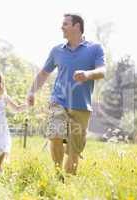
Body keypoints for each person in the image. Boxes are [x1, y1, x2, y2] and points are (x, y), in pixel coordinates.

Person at [27, 14, 106, 175]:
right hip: (58, 101)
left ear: (77, 26)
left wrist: (88, 74)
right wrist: (32, 91)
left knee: (73, 150)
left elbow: (102, 70)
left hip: (82, 106)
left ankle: (68, 182)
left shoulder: (95, 48)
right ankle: (57, 174)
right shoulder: (57, 50)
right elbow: (43, 73)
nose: (61, 27)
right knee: (55, 135)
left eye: (65, 24)